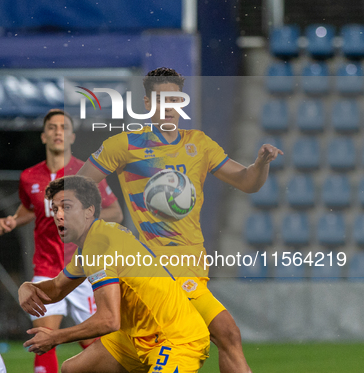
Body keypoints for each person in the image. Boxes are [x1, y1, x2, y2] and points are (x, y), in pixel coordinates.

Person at [77, 67, 283, 373]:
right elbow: (76, 189)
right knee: (227, 333)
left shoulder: (198, 144)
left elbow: (247, 181)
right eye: (162, 100)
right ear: (147, 104)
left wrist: (260, 163)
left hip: (193, 268)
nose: (169, 107)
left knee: (83, 366)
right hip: (157, 272)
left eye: (175, 100)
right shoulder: (124, 145)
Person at [19, 175, 210, 373]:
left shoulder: (99, 245)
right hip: (134, 338)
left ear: (89, 211)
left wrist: (55, 337)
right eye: (55, 209)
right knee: (73, 369)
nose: (58, 215)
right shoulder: (93, 242)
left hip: (177, 337)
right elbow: (57, 288)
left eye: (66, 207)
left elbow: (109, 320)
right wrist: (28, 287)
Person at [0, 109, 123, 373]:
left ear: (72, 136)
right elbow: (30, 207)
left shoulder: (87, 173)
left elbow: (115, 212)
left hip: (82, 270)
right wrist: (12, 221)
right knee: (43, 335)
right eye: (52, 128)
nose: (57, 132)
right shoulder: (29, 176)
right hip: (46, 269)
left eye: (63, 127)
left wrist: (84, 222)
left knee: (93, 342)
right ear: (43, 136)